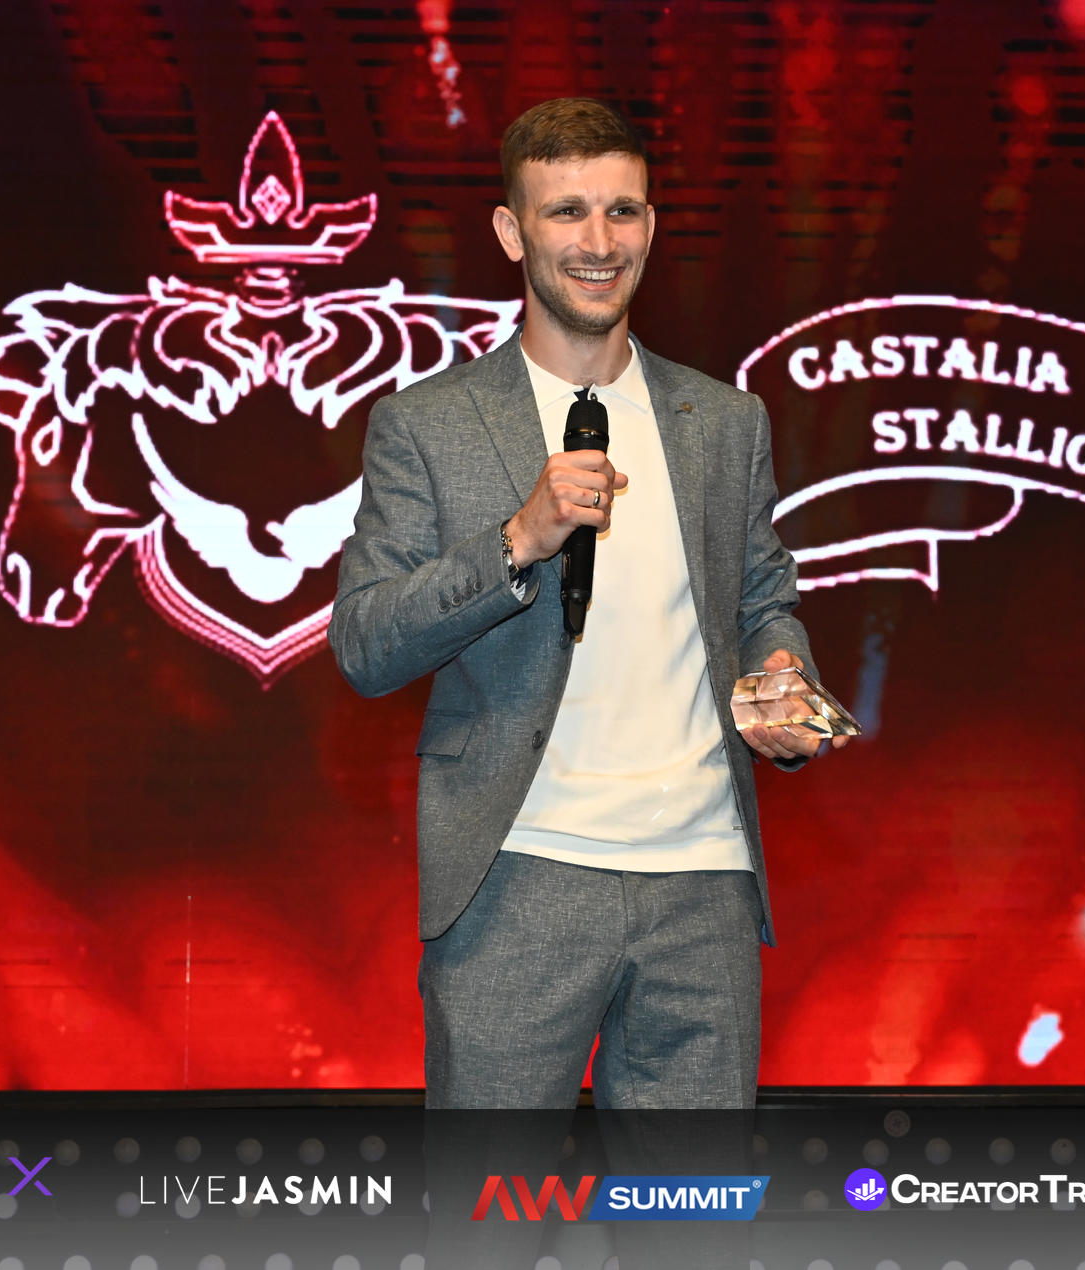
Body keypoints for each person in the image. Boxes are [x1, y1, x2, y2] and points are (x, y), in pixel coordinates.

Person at [330, 96, 846, 1110]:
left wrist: (780, 675)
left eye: (623, 211)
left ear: (651, 224)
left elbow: (763, 600)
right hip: (517, 875)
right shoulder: (427, 424)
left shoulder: (724, 420)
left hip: (704, 882)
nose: (599, 243)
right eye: (566, 212)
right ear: (510, 230)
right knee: (490, 1202)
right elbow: (364, 642)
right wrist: (515, 541)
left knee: (691, 1204)